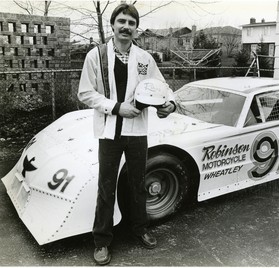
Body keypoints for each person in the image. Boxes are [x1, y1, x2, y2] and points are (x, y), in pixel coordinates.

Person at [77, 3, 176, 265]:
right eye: (121, 21)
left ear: (135, 28)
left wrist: (170, 104)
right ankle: (101, 241)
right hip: (109, 132)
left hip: (137, 132)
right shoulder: (96, 56)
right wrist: (117, 107)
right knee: (106, 187)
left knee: (137, 184)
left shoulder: (144, 58)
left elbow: (162, 87)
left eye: (131, 23)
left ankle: (139, 228)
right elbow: (85, 93)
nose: (126, 27)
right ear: (112, 25)